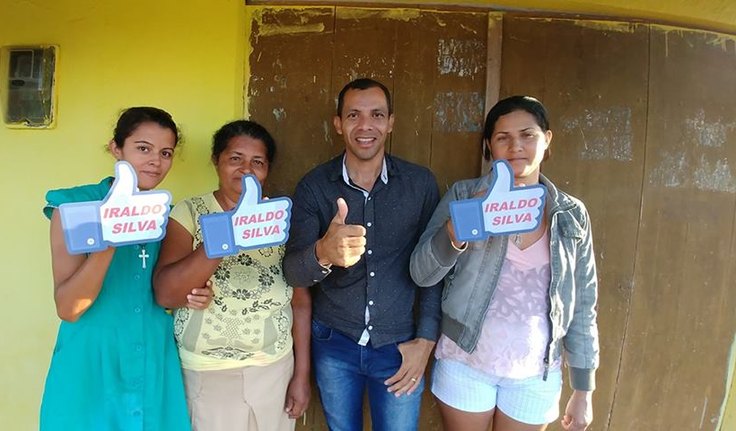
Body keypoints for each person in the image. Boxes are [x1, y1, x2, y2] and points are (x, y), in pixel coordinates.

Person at [410, 96, 599, 431]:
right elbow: (421, 274)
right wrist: (459, 227)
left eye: (527, 135)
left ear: (547, 140)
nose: (516, 147)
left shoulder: (571, 214)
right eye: (503, 138)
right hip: (465, 362)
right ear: (489, 146)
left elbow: (583, 304)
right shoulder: (464, 196)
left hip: (534, 373)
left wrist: (583, 389)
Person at [282, 78, 442, 431]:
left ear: (390, 122)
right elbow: (293, 273)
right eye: (353, 115)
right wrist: (323, 252)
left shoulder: (420, 184)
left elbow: (434, 272)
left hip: (400, 347)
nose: (365, 125)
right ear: (338, 123)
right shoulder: (315, 186)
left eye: (377, 115)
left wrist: (426, 341)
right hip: (334, 343)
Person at [40, 106, 206, 431]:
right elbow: (69, 307)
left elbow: (165, 293)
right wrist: (111, 237)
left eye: (166, 152)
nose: (155, 161)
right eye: (143, 148)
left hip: (153, 355)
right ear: (117, 148)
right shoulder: (74, 207)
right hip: (91, 360)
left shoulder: (168, 216)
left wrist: (193, 293)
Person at [153, 119, 310, 431]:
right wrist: (228, 233)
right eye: (235, 159)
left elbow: (301, 302)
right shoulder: (190, 213)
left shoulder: (279, 221)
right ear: (216, 161)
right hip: (206, 375)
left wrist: (302, 375)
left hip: (274, 371)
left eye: (257, 162)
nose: (246, 170)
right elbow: (166, 293)